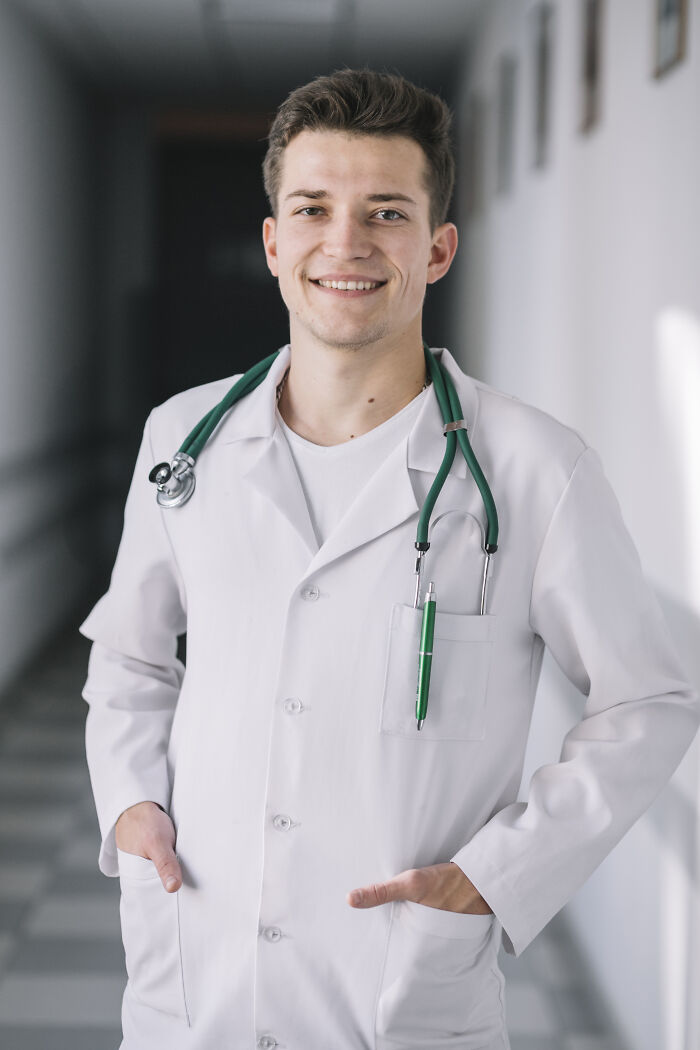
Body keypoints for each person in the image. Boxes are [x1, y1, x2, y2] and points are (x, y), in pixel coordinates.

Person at [80, 69, 699, 1050]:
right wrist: (130, 805)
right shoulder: (182, 440)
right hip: (196, 971)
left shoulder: (535, 470)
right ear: (273, 241)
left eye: (386, 213)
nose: (346, 243)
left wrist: (491, 877)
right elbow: (129, 659)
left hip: (401, 992)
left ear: (438, 247)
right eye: (313, 209)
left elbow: (648, 703)